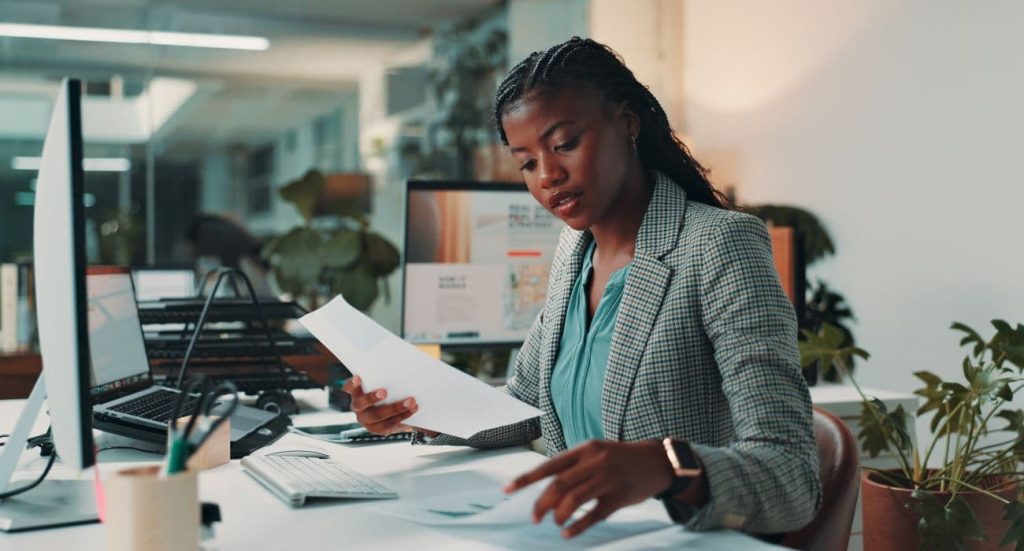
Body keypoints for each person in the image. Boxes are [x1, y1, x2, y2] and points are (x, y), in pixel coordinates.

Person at [343, 36, 821, 539]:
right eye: (527, 163)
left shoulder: (719, 244)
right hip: (576, 535)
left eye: (565, 144)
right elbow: (526, 405)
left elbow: (790, 476)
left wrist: (666, 467)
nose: (548, 176)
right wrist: (419, 412)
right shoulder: (575, 252)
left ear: (628, 123)